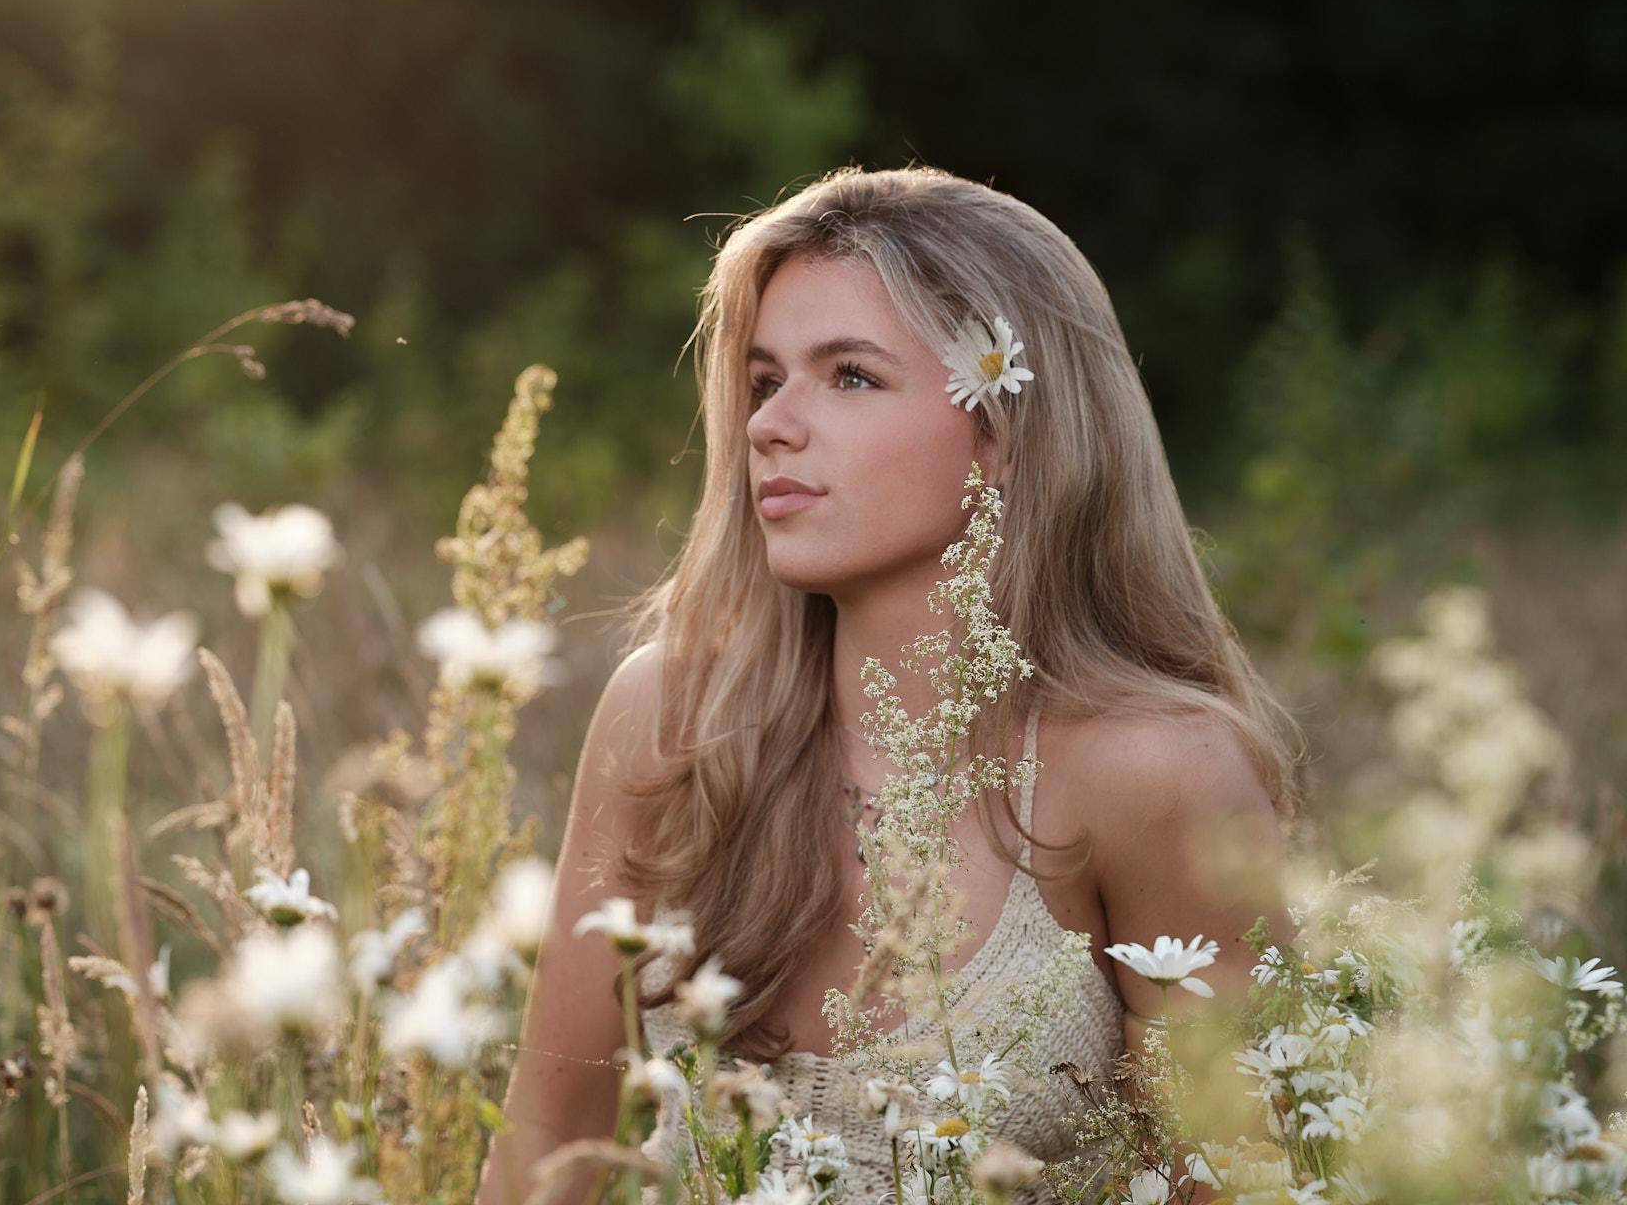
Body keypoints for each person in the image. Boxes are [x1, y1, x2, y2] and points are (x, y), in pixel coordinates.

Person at [474, 167, 1299, 1205]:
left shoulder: (1155, 770)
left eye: (850, 377)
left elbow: (1242, 1180)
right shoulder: (675, 719)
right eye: (764, 381)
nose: (770, 425)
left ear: (1005, 433)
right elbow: (551, 1137)